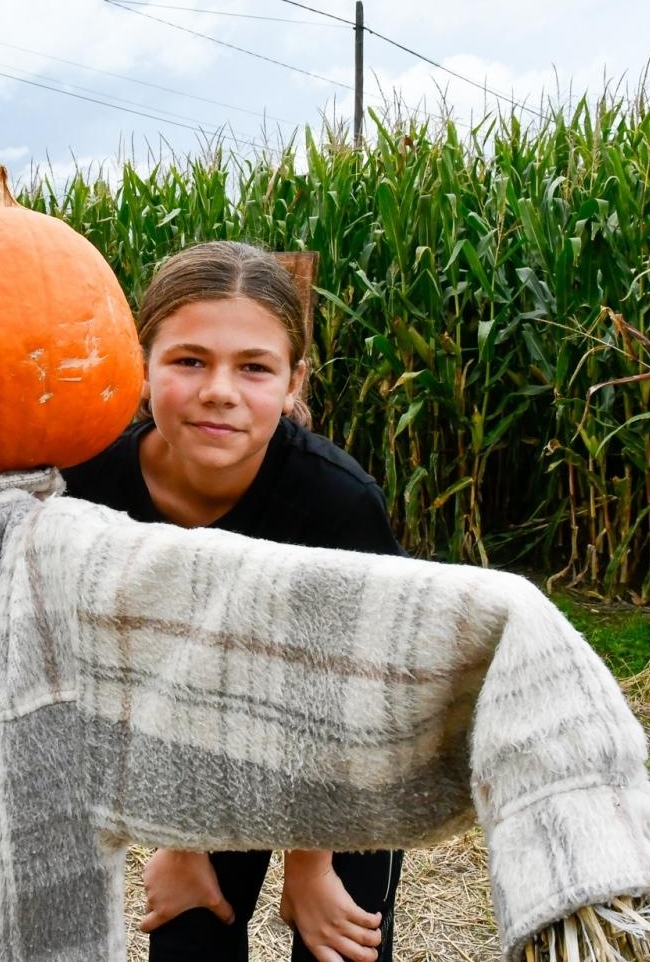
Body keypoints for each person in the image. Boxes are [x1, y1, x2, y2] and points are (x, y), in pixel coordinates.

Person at [62, 240, 407, 962]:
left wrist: (309, 865)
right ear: (142, 364)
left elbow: (352, 698)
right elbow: (110, 680)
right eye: (189, 360)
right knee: (190, 939)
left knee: (340, 944)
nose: (220, 388)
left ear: (292, 382)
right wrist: (179, 839)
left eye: (253, 367)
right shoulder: (86, 490)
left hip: (342, 756)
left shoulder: (338, 505)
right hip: (202, 752)